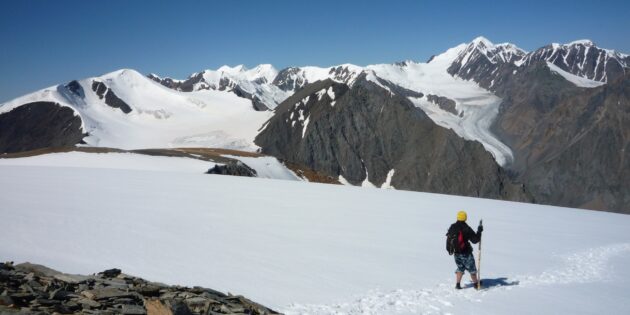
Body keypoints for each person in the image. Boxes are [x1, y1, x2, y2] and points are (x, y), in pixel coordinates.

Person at [447, 210, 483, 289]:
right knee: (472, 269)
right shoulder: (466, 228)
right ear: (465, 218)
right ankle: (476, 284)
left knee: (460, 268)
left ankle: (458, 284)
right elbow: (475, 240)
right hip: (466, 253)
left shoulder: (452, 226)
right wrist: (479, 231)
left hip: (456, 253)